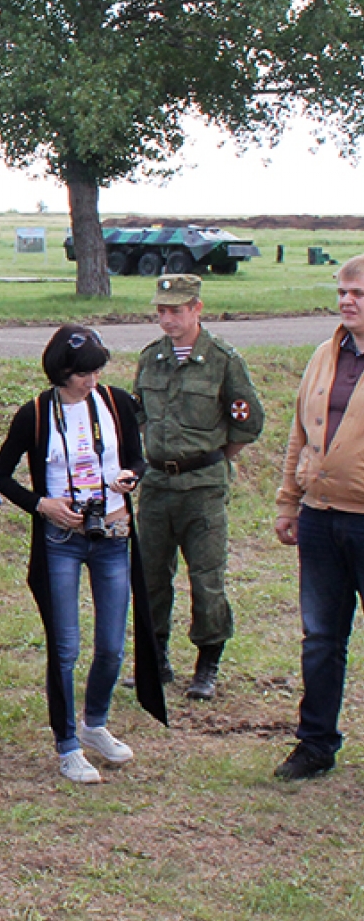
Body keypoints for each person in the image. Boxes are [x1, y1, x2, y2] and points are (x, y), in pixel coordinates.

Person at [0, 325, 164, 784]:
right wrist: (42, 504)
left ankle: (95, 724)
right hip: (60, 540)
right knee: (65, 647)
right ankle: (67, 744)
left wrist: (130, 476)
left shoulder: (116, 401)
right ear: (61, 372)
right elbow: (0, 475)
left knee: (111, 644)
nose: (92, 381)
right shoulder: (34, 415)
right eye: (83, 374)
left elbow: (138, 459)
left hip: (112, 531)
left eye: (96, 371)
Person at [133, 274, 263, 699]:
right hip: (156, 486)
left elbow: (248, 423)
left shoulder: (223, 360)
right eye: (161, 311)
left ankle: (207, 664)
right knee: (151, 577)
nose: (167, 319)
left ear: (196, 309)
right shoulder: (151, 358)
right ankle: (156, 660)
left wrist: (214, 459)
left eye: (175, 310)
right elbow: (141, 416)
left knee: (207, 579)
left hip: (203, 487)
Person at [272, 258, 364, 780]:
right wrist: (289, 501)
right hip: (320, 518)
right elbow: (299, 435)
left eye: (358, 293)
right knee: (322, 638)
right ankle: (315, 744)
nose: (347, 301)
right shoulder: (324, 357)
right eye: (342, 292)